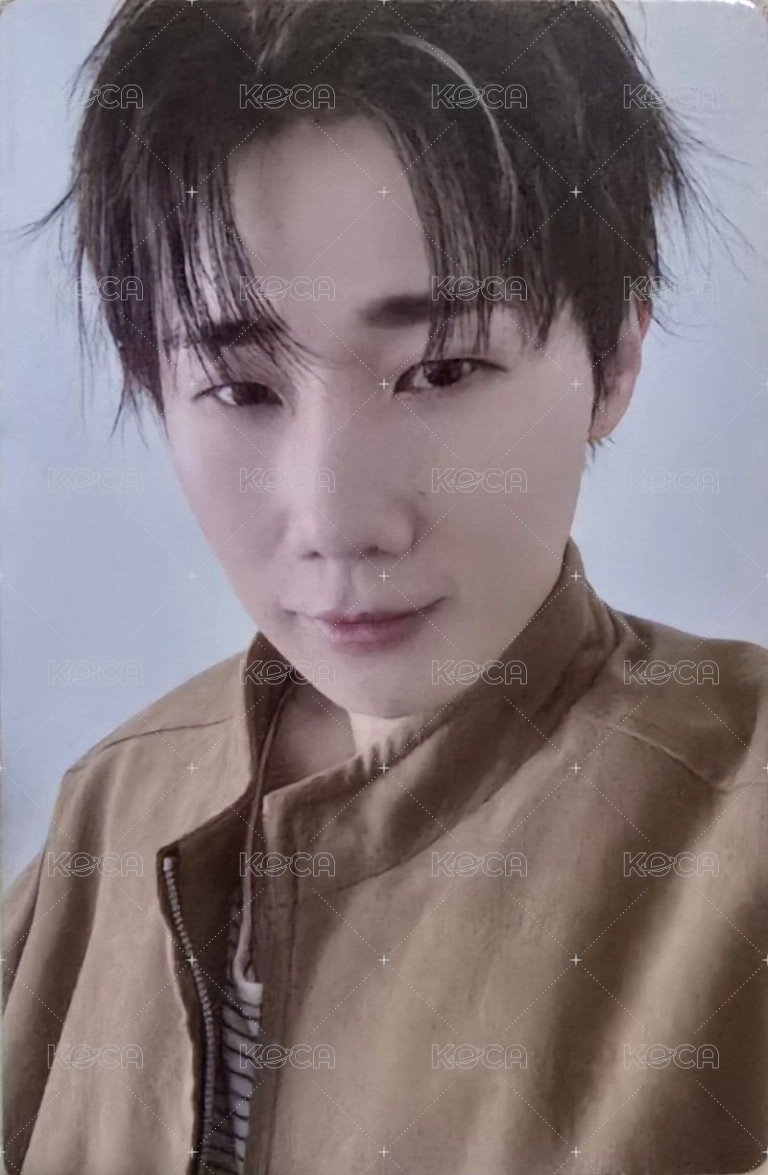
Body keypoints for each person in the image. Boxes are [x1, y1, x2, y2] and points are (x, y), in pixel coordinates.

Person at [3, 1, 767, 1172]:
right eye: (240, 389)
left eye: (442, 368)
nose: (338, 521)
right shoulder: (107, 808)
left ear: (615, 357)